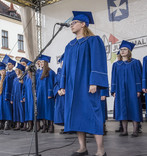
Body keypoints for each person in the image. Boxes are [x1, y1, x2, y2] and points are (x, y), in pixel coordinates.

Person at [59, 11, 108, 156]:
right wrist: (62, 85)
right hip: (73, 87)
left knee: (93, 114)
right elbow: (65, 67)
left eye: (74, 23)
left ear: (83, 24)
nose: (71, 25)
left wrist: (94, 82)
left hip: (87, 85)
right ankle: (82, 148)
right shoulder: (70, 45)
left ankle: (100, 149)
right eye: (71, 23)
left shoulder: (93, 40)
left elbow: (98, 62)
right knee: (77, 115)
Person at [111, 40, 142, 137]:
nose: (122, 51)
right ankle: (124, 131)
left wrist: (138, 89)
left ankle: (135, 131)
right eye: (121, 49)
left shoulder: (135, 62)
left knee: (134, 108)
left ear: (129, 51)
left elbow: (138, 76)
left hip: (132, 89)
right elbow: (113, 79)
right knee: (122, 109)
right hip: (120, 90)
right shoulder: (116, 65)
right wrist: (114, 90)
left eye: (125, 49)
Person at [36, 55, 56, 133]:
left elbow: (51, 84)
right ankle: (45, 125)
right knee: (42, 110)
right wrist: (37, 94)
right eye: (40, 62)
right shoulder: (39, 72)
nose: (41, 63)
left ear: (46, 63)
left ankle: (51, 125)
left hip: (48, 95)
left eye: (42, 62)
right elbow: (37, 85)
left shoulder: (50, 72)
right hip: (41, 94)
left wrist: (50, 94)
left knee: (49, 110)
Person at [11, 63, 26, 130]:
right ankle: (18, 125)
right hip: (15, 97)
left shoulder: (23, 78)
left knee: (22, 110)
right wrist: (11, 98)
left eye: (17, 70)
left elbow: (24, 88)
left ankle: (24, 125)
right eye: (16, 70)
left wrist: (23, 96)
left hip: (20, 96)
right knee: (16, 110)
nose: (16, 71)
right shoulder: (14, 79)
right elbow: (12, 89)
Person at [54, 55, 65, 127]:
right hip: (60, 95)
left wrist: (65, 89)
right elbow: (55, 83)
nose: (62, 63)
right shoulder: (58, 72)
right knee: (60, 110)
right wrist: (58, 90)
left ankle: (70, 127)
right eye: (62, 62)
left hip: (67, 94)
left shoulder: (70, 72)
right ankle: (65, 126)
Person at [23, 62, 34, 132]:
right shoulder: (26, 77)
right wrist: (23, 96)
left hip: (32, 95)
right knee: (28, 110)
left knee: (32, 110)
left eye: (27, 68)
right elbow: (24, 88)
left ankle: (34, 126)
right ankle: (29, 125)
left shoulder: (33, 76)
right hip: (27, 96)